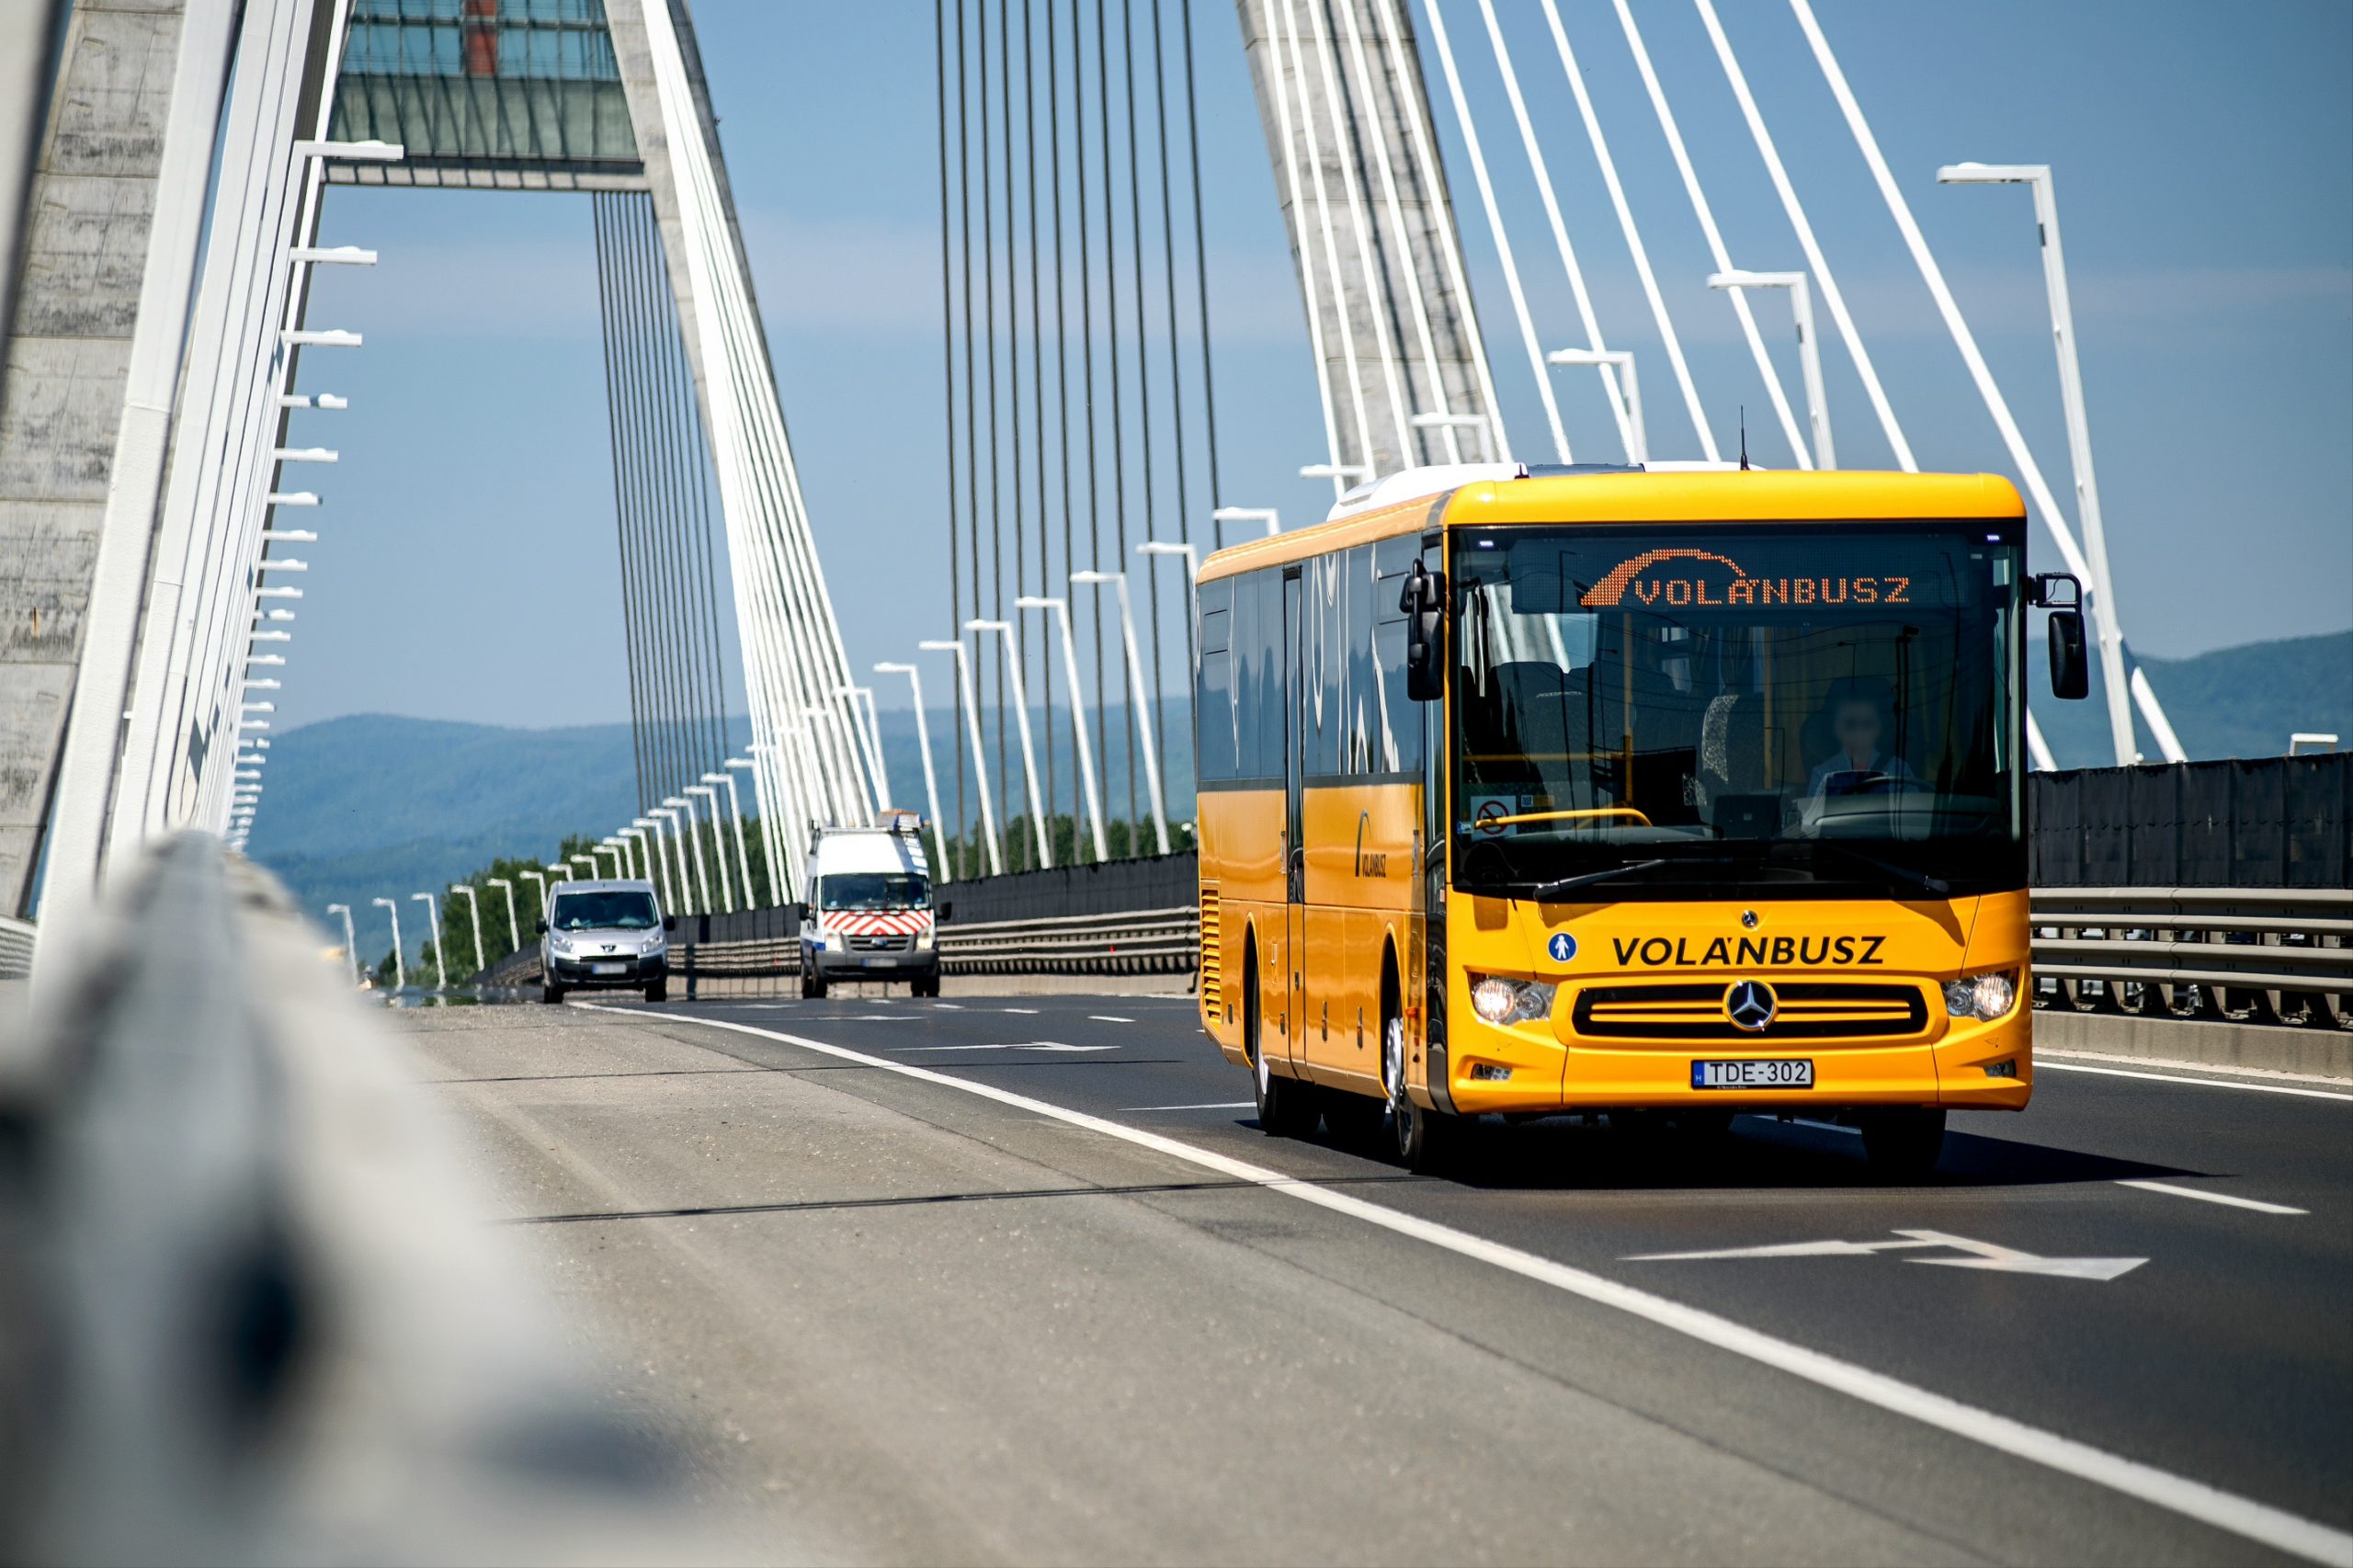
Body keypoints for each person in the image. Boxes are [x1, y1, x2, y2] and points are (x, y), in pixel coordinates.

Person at [1800, 683, 1916, 829]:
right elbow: (1811, 826)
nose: (1858, 732)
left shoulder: (1899, 770)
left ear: (1879, 728)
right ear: (1837, 728)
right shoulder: (1822, 774)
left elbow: (1912, 822)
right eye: (1850, 724)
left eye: (1867, 724)